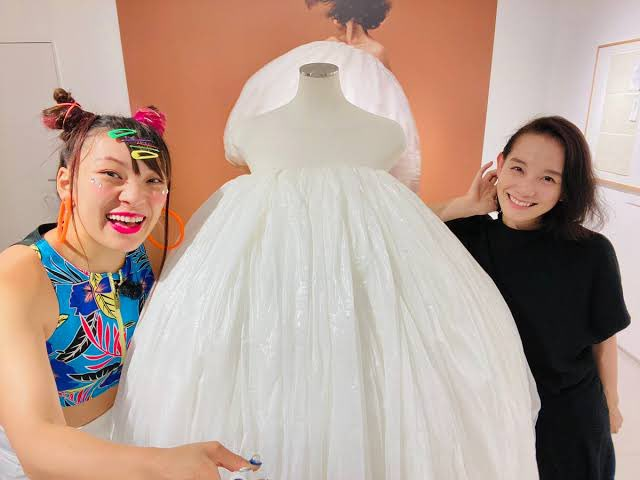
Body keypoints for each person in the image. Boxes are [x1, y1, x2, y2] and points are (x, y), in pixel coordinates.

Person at [112, 63, 539, 480]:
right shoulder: (253, 131)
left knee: (380, 398)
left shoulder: (385, 133)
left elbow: (401, 229)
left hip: (367, 301)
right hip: (264, 298)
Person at [0, 88, 258, 479]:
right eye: (111, 175)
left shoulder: (145, 253)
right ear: (66, 183)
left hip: (130, 440)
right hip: (45, 462)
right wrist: (164, 463)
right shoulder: (20, 275)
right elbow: (38, 446)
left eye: (153, 180)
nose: (135, 197)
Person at [439, 116, 630, 479]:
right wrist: (465, 205)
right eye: (518, 168)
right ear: (499, 165)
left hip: (566, 414)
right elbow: (396, 224)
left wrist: (613, 402)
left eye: (548, 179)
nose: (525, 188)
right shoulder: (466, 233)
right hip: (493, 411)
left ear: (566, 189)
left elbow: (603, 336)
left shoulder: (591, 252)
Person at [224, 0, 422, 192]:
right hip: (325, 125)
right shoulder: (327, 48)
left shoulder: (374, 52)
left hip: (358, 130)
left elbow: (388, 96)